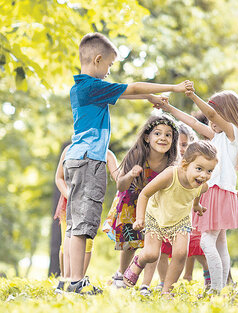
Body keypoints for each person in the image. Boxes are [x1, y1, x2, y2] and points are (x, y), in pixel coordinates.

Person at [63, 32, 193, 294]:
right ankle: (76, 282)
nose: (109, 72)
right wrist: (174, 88)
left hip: (76, 159)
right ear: (98, 59)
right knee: (84, 225)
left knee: (75, 223)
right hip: (90, 161)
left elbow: (126, 94)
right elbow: (131, 87)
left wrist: (149, 99)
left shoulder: (81, 88)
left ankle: (68, 280)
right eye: (109, 66)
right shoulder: (92, 86)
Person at [153, 89, 238, 294]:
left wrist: (193, 96)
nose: (209, 119)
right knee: (220, 243)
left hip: (218, 192)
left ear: (227, 114)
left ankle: (215, 290)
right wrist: (168, 108)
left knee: (207, 242)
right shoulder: (219, 137)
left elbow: (213, 116)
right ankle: (221, 288)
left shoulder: (234, 133)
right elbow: (194, 123)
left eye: (213, 114)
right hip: (216, 193)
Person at [122, 141, 218, 295]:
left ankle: (167, 291)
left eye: (209, 171)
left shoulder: (203, 184)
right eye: (199, 169)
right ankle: (138, 261)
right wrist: (140, 218)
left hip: (180, 220)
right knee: (152, 254)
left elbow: (198, 192)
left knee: (181, 254)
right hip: (156, 216)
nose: (204, 175)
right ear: (185, 165)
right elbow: (145, 194)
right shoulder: (171, 174)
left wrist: (196, 205)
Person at [103, 112, 179, 296]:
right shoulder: (137, 154)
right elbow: (120, 185)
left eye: (168, 135)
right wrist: (130, 175)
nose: (163, 138)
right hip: (131, 202)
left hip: (155, 206)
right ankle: (120, 274)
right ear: (147, 137)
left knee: (153, 244)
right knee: (130, 243)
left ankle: (145, 284)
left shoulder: (171, 163)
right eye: (158, 133)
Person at [54, 144, 118, 293]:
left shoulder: (106, 153)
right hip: (69, 204)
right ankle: (65, 279)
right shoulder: (69, 150)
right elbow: (59, 178)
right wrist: (71, 196)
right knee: (67, 242)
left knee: (86, 243)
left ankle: (78, 280)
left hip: (89, 205)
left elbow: (118, 176)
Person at [156, 123, 211, 290]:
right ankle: (164, 282)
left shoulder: (195, 167)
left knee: (195, 246)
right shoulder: (166, 164)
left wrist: (196, 204)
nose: (181, 148)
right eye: (178, 144)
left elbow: (201, 186)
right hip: (166, 215)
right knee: (163, 250)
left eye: (185, 144)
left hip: (186, 215)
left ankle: (209, 276)